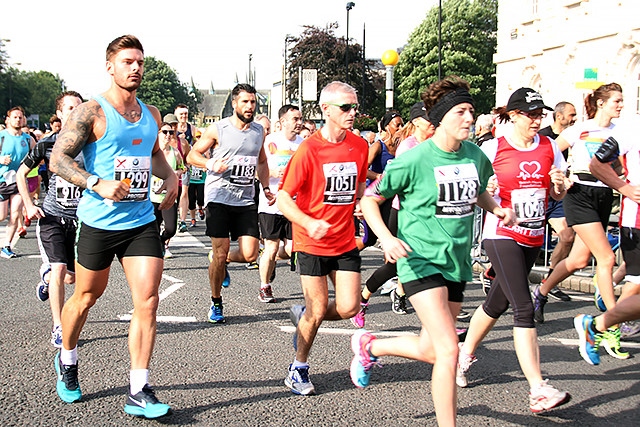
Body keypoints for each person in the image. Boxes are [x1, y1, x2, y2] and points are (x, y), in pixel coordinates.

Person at [352, 76, 516, 426]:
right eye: (462, 112)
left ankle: (370, 347)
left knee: (430, 349)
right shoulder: (414, 159)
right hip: (419, 261)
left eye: (472, 111)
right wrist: (386, 238)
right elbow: (370, 198)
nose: (471, 118)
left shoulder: (474, 156)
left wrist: (497, 208)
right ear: (441, 117)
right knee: (448, 351)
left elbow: (478, 191)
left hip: (455, 263)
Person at [49, 35, 178, 419]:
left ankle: (139, 389)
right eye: (127, 62)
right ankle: (68, 359)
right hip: (99, 222)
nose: (135, 68)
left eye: (140, 62)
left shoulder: (152, 114)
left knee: (148, 300)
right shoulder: (92, 112)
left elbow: (153, 154)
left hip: (140, 221)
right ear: (110, 66)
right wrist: (96, 183)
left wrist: (170, 177)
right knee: (87, 296)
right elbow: (58, 160)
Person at [456, 88, 571, 414]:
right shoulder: (494, 147)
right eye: (531, 115)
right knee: (523, 306)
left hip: (533, 236)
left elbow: (557, 194)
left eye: (541, 115)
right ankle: (538, 388)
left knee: (498, 302)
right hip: (501, 233)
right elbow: (472, 188)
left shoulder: (550, 146)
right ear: (515, 115)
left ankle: (463, 354)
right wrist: (486, 187)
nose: (537, 121)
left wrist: (559, 186)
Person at [278, 81, 368, 396]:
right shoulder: (309, 149)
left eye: (355, 107)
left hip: (343, 239)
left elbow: (356, 186)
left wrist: (360, 202)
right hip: (311, 240)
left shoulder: (360, 145)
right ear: (326, 110)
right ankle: (298, 368)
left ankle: (304, 318)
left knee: (349, 307)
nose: (352, 113)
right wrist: (308, 221)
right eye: (345, 108)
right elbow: (284, 199)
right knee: (318, 308)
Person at [532, 83, 630, 357]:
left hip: (603, 194)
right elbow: (551, 151)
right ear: (601, 103)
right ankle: (610, 326)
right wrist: (560, 175)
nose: (621, 105)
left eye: (622, 101)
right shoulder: (580, 130)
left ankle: (541, 292)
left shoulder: (620, 133)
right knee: (607, 258)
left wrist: (618, 170)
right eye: (616, 101)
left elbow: (619, 166)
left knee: (577, 261)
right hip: (579, 194)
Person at [186, 83, 273, 324]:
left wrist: (265, 188)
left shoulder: (258, 131)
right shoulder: (218, 129)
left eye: (253, 102)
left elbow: (262, 162)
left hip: (245, 199)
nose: (250, 106)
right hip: (218, 197)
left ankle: (220, 261)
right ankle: (216, 301)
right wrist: (210, 164)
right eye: (245, 102)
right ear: (234, 103)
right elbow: (192, 155)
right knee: (220, 249)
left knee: (250, 254)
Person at [351, 102, 435, 328]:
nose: (435, 124)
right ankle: (364, 296)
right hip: (403, 211)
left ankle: (408, 297)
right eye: (430, 119)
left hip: (427, 214)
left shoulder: (436, 145)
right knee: (395, 263)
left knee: (429, 261)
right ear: (417, 121)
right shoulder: (409, 147)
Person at [15, 91, 84, 348]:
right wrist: (30, 204)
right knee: (58, 269)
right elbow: (22, 173)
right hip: (52, 217)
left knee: (71, 278)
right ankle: (58, 325)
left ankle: (45, 278)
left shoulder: (93, 144)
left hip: (79, 220)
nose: (74, 112)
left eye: (79, 108)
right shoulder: (47, 144)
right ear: (60, 114)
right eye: (69, 108)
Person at [574, 121, 640, 364]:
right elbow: (596, 163)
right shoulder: (632, 131)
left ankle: (600, 324)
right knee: (635, 285)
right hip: (638, 221)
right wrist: (624, 187)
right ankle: (599, 325)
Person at [257, 104, 302, 303]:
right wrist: (273, 174)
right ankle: (265, 287)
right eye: (295, 119)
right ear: (283, 121)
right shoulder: (269, 141)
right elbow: (258, 167)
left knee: (293, 249)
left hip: (293, 204)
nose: (299, 123)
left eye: (300, 119)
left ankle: (270, 263)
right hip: (271, 203)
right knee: (271, 247)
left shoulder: (303, 144)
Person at [538, 101, 578, 302]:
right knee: (526, 246)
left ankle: (549, 281)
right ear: (559, 116)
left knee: (567, 236)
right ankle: (492, 273)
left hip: (557, 194)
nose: (574, 118)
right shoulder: (544, 137)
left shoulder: (571, 137)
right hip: (537, 196)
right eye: (571, 114)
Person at [0, 106, 34, 258]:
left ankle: (6, 246)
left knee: (15, 214)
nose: (18, 119)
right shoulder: (1, 136)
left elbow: (38, 156)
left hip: (18, 181)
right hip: (2, 180)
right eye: (15, 117)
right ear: (7, 120)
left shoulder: (28, 139)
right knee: (1, 216)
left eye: (20, 117)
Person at [151, 122, 185, 258]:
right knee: (154, 227)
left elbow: (183, 167)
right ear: (158, 133)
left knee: (171, 229)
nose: (168, 135)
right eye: (165, 132)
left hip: (169, 197)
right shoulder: (150, 153)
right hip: (152, 197)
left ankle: (161, 241)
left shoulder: (175, 152)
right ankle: (156, 253)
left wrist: (176, 173)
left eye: (171, 133)